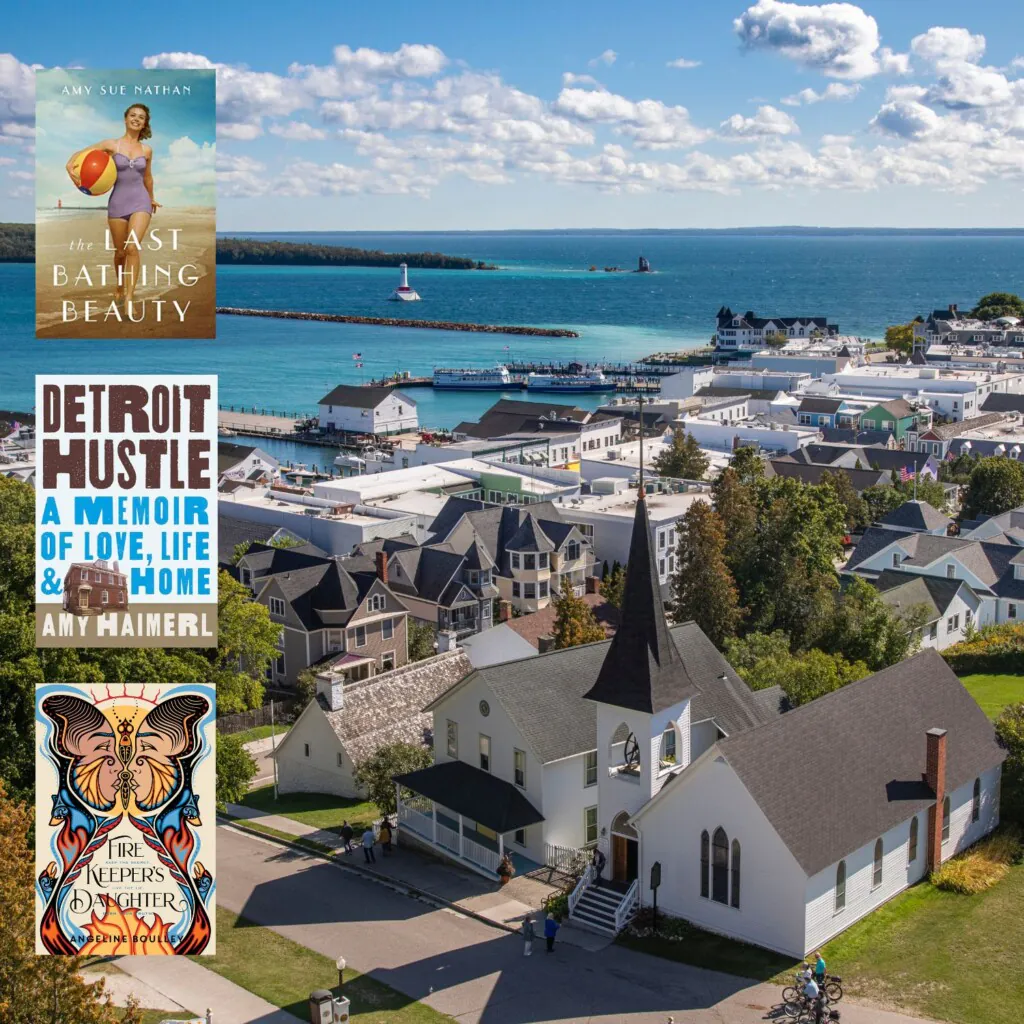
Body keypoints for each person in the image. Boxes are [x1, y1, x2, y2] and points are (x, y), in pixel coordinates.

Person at [66, 104, 161, 310]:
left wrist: (151, 198)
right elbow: (81, 153)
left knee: (132, 247)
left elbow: (148, 177)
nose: (137, 119)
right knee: (119, 252)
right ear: (125, 119)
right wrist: (69, 165)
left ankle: (128, 298)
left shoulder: (147, 150)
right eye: (133, 115)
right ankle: (119, 286)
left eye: (141, 117)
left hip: (141, 202)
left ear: (145, 123)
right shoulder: (112, 144)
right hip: (117, 201)